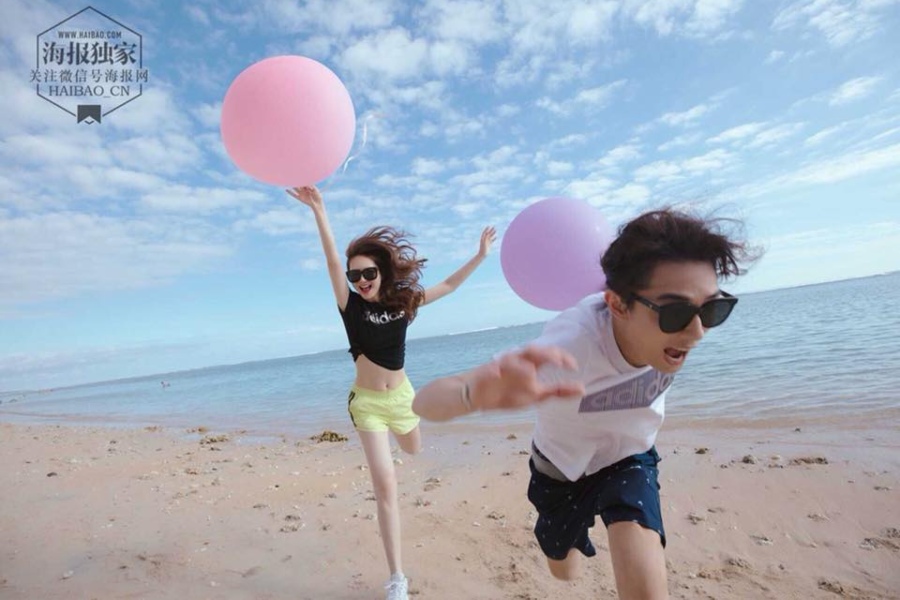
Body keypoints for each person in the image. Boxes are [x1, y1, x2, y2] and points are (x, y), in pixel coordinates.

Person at [413, 208, 758, 599]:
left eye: (712, 309)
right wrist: (475, 394)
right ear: (617, 305)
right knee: (565, 570)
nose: (697, 332)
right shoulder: (568, 350)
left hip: (629, 457)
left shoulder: (672, 337)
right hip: (560, 471)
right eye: (675, 313)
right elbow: (424, 404)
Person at [287, 185, 496, 600]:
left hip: (403, 400)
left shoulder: (404, 302)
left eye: (368, 273)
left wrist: (480, 256)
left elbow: (449, 285)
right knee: (385, 488)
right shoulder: (351, 306)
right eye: (355, 276)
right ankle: (397, 578)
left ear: (381, 271)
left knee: (414, 449)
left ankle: (411, 429)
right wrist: (319, 210)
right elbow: (332, 261)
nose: (361, 281)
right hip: (367, 405)